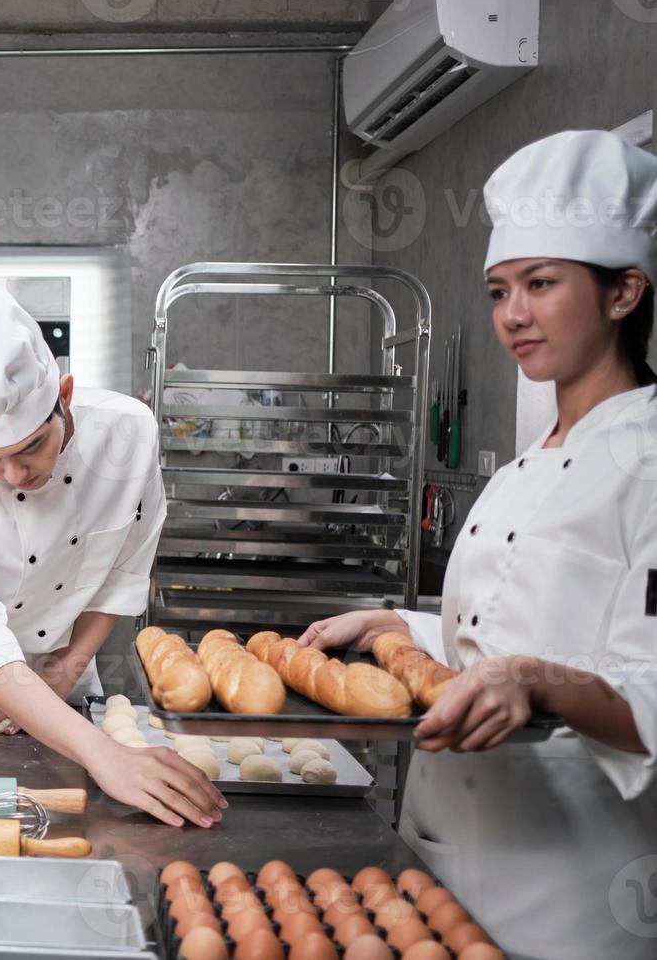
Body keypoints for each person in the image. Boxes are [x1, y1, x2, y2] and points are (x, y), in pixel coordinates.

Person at [301, 131, 657, 959]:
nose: (513, 316)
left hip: (568, 883)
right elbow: (499, 635)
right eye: (500, 291)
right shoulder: (533, 460)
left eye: (541, 284)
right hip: (443, 847)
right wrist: (394, 623)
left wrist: (533, 681)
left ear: (624, 293)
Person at [0, 282, 225, 828]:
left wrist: (66, 669)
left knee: (70, 824)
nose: (14, 475)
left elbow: (124, 570)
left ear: (64, 396)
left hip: (65, 667)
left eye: (30, 448)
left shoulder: (128, 435)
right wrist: (101, 753)